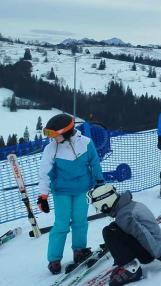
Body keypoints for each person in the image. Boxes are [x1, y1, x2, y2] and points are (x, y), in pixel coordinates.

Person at [37, 113, 105, 274]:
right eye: (50, 135)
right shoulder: (51, 148)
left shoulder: (86, 143)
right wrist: (43, 196)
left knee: (80, 221)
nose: (52, 138)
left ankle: (79, 250)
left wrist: (99, 182)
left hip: (82, 189)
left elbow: (94, 163)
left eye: (55, 135)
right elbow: (44, 173)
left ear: (66, 132)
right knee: (61, 224)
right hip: (61, 191)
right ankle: (54, 259)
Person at [87, 184, 161, 286]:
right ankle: (125, 260)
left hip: (151, 250)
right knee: (114, 227)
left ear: (105, 203)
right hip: (155, 244)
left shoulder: (125, 215)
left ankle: (132, 270)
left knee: (109, 232)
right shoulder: (128, 206)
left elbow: (143, 234)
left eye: (99, 208)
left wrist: (156, 254)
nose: (99, 211)